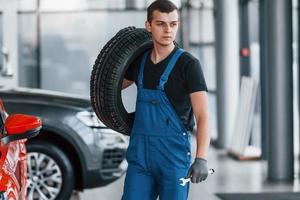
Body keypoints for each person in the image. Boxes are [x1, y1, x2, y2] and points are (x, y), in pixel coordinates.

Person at [121, 0, 210, 199]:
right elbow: (111, 87)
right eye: (161, 24)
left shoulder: (188, 65)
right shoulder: (139, 61)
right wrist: (112, 62)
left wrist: (201, 157)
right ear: (148, 26)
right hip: (140, 158)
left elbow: (203, 115)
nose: (168, 30)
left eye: (173, 24)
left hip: (173, 158)